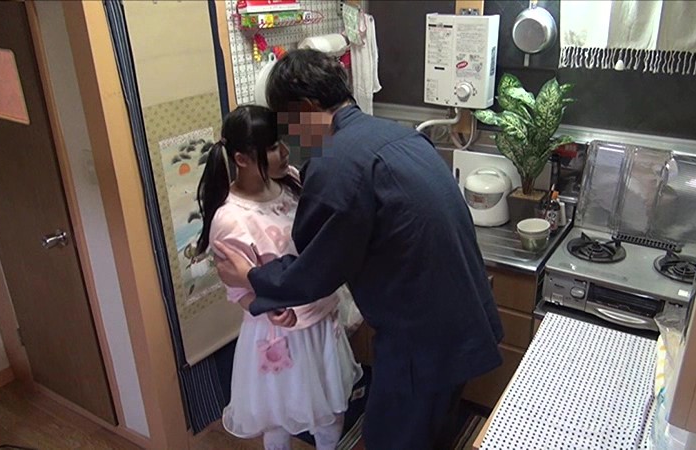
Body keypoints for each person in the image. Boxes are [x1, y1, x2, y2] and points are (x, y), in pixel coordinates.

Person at [213, 49, 503, 450]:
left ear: (306, 108)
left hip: (421, 341)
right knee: (430, 432)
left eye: (288, 125)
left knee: (391, 439)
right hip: (459, 321)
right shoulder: (397, 135)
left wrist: (250, 276)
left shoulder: (338, 162)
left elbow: (317, 268)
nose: (291, 140)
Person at [196, 104, 362, 450]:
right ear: (241, 159)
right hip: (281, 334)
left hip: (320, 320)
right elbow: (236, 288)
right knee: (278, 417)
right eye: (273, 147)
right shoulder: (230, 219)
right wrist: (267, 307)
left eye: (281, 142)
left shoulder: (291, 181)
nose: (285, 151)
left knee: (331, 413)